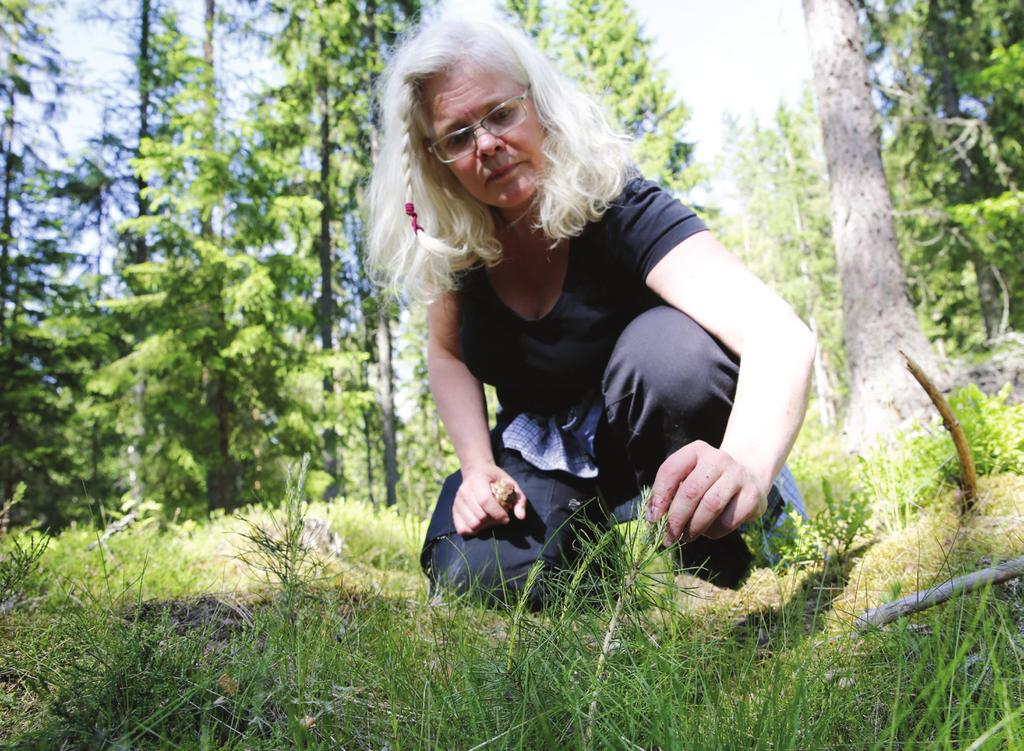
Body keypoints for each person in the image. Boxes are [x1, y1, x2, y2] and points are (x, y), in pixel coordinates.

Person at [367, 14, 815, 607]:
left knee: (670, 357)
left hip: (669, 428)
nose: (488, 145)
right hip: (555, 457)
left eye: (502, 113)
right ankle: (604, 586)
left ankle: (725, 562)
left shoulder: (619, 205)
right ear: (435, 157)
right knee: (473, 574)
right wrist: (477, 468)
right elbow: (447, 353)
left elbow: (780, 336)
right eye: (457, 135)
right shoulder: (458, 243)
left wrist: (747, 465)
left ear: (539, 104)